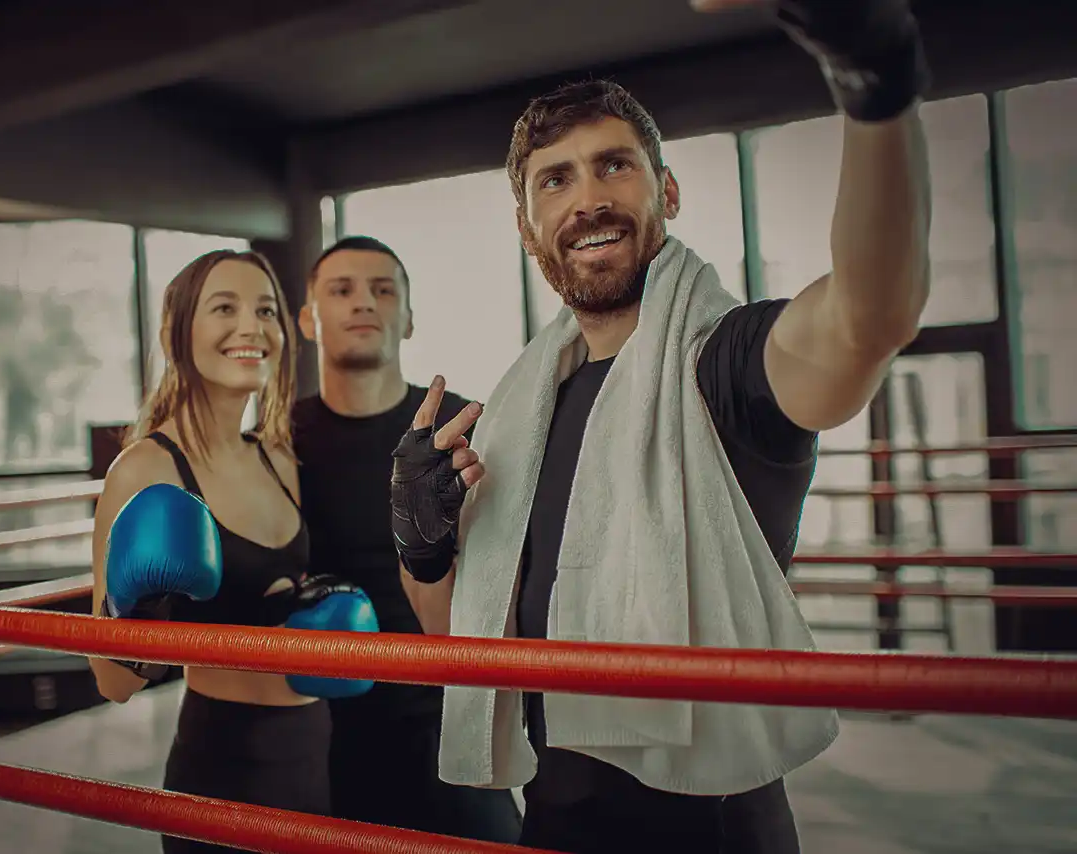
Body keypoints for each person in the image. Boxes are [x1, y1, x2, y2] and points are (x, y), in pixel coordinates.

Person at [389, 1, 933, 852]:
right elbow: (456, 640)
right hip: (555, 820)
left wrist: (876, 87)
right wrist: (419, 544)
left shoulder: (727, 364)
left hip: (718, 824)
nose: (589, 198)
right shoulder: (518, 416)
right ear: (527, 224)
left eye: (615, 166)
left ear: (666, 192)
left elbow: (869, 316)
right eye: (555, 179)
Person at [88, 248, 379, 854]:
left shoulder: (276, 457)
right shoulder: (145, 468)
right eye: (226, 307)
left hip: (307, 747)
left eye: (266, 310)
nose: (252, 327)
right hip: (221, 759)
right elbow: (111, 683)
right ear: (177, 331)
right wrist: (137, 605)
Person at [291, 236, 522, 841]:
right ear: (308, 319)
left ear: (410, 318)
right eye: (341, 290)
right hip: (315, 727)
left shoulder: (459, 429)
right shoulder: (276, 441)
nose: (363, 302)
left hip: (444, 715)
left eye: (382, 289)